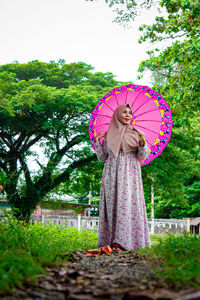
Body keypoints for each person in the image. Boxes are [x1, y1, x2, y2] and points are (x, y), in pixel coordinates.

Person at [94, 104, 151, 252]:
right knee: (113, 206)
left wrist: (142, 142)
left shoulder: (136, 133)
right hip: (111, 174)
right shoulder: (109, 134)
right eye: (124, 112)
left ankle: (120, 243)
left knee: (126, 205)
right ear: (117, 114)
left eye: (130, 113)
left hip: (130, 175)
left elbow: (143, 156)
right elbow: (102, 157)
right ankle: (111, 241)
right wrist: (97, 141)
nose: (127, 115)